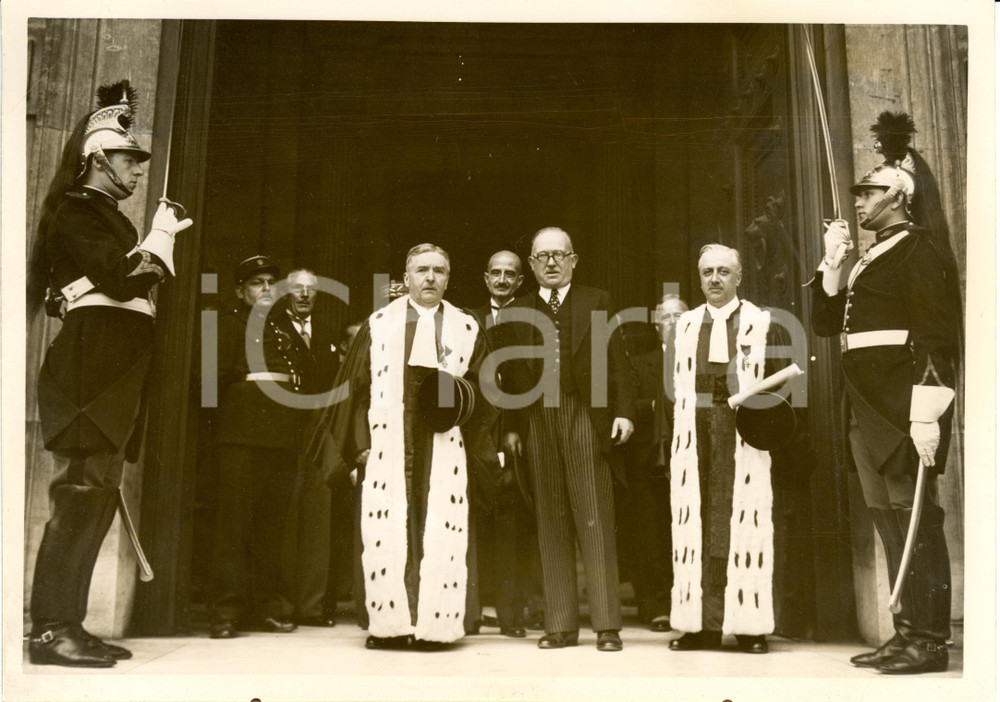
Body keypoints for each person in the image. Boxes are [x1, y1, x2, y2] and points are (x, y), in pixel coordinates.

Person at [27, 80, 192, 667]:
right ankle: (49, 629)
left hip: (113, 368)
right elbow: (123, 279)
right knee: (78, 495)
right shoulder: (78, 211)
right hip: (90, 369)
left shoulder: (107, 218)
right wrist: (164, 233)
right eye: (129, 159)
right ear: (98, 159)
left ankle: (70, 623)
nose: (139, 171)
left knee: (96, 495)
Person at [810, 112, 961, 675]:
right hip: (865, 406)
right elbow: (829, 326)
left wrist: (927, 413)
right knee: (887, 517)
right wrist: (831, 264)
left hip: (902, 408)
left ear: (899, 195)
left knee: (916, 517)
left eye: (869, 192)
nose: (859, 201)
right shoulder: (870, 255)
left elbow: (938, 339)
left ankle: (930, 640)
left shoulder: (921, 252)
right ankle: (905, 632)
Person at [325, 243, 501, 650]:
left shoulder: (466, 325)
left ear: (448, 279)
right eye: (421, 270)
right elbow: (355, 393)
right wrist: (360, 446)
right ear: (406, 278)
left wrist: (462, 408)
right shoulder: (380, 323)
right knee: (392, 524)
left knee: (436, 521)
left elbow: (484, 389)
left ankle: (434, 626)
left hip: (444, 441)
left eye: (439, 271)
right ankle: (390, 625)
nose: (430, 278)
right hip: (391, 441)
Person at [503, 227, 635, 652]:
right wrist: (509, 427)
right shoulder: (515, 310)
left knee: (594, 516)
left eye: (560, 255)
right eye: (543, 257)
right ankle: (559, 624)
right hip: (537, 418)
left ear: (574, 260)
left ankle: (607, 625)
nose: (552, 263)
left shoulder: (596, 300)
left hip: (584, 413)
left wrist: (624, 412)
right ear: (532, 265)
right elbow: (505, 377)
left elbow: (618, 362)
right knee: (551, 518)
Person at [668, 244, 790, 655]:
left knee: (737, 521)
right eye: (707, 272)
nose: (714, 279)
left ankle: (749, 626)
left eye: (723, 271)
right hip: (697, 432)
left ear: (738, 278)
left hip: (742, 433)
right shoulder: (685, 325)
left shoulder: (761, 322)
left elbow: (779, 385)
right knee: (698, 522)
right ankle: (698, 624)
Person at [208, 255, 308, 639]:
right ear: (240, 291)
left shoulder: (285, 331)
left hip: (282, 437)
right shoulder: (224, 325)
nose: (266, 289)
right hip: (240, 435)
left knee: (275, 527)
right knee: (233, 526)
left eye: (271, 282)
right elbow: (208, 386)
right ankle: (226, 613)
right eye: (256, 283)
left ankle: (272, 606)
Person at [472, 251, 545, 638]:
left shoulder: (530, 318)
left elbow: (526, 381)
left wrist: (514, 428)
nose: (502, 279)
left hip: (515, 430)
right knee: (471, 519)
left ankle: (512, 616)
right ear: (486, 278)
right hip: (474, 430)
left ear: (520, 282)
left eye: (510, 275)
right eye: (495, 273)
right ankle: (468, 613)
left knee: (513, 523)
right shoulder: (467, 318)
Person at [279, 269, 347, 628]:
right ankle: (283, 604)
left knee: (318, 519)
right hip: (283, 432)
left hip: (318, 431)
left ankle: (312, 605)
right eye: (297, 289)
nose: (304, 295)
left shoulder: (326, 333)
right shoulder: (273, 327)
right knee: (287, 518)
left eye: (311, 290)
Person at [620, 294, 688, 632]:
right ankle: (656, 605)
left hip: (689, 457)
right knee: (650, 531)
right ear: (655, 325)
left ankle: (689, 603)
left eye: (680, 316)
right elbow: (629, 404)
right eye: (666, 318)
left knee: (686, 530)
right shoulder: (638, 361)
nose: (673, 323)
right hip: (648, 458)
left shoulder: (701, 359)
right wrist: (659, 407)